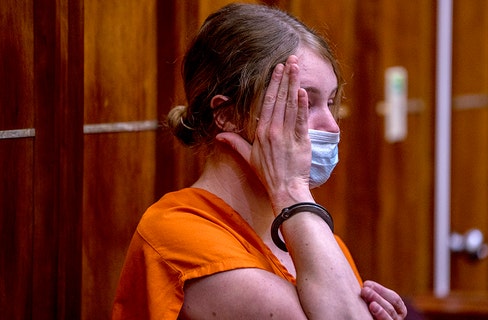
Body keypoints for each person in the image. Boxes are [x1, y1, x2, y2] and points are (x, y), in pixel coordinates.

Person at [112, 3, 408, 319]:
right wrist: (292, 188)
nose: (332, 126)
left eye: (331, 102)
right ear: (227, 115)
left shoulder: (304, 230)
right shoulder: (177, 233)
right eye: (303, 103)